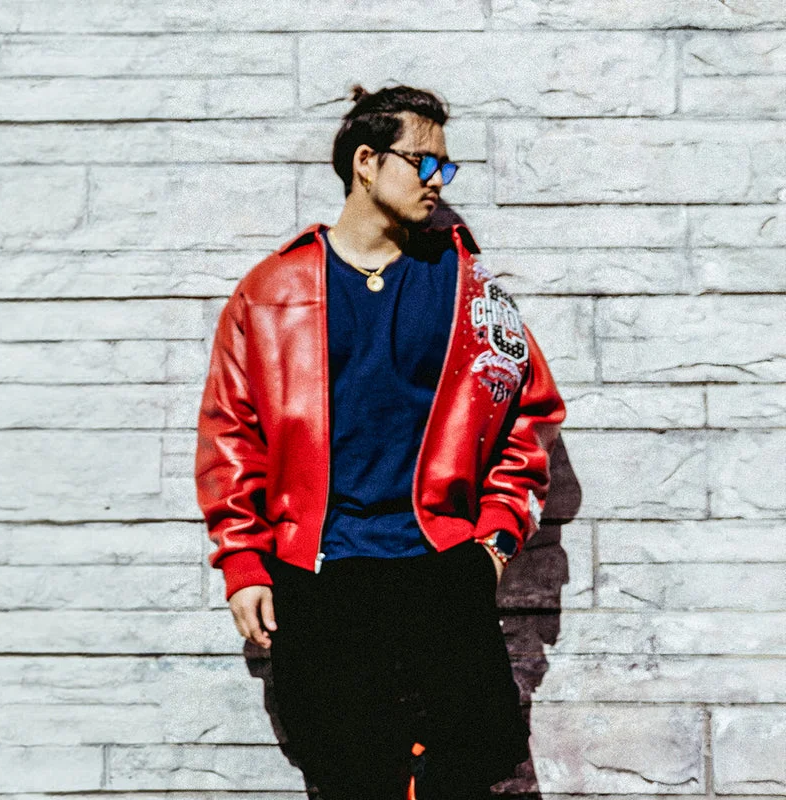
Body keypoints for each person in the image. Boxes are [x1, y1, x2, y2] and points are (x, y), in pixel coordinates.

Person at [194, 83, 566, 800]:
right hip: (320, 576)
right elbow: (231, 434)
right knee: (348, 780)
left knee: (467, 776)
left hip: (442, 567)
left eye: (445, 166)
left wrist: (492, 543)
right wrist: (243, 561)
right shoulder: (271, 292)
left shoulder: (465, 285)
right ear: (366, 162)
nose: (438, 180)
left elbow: (529, 413)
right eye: (423, 162)